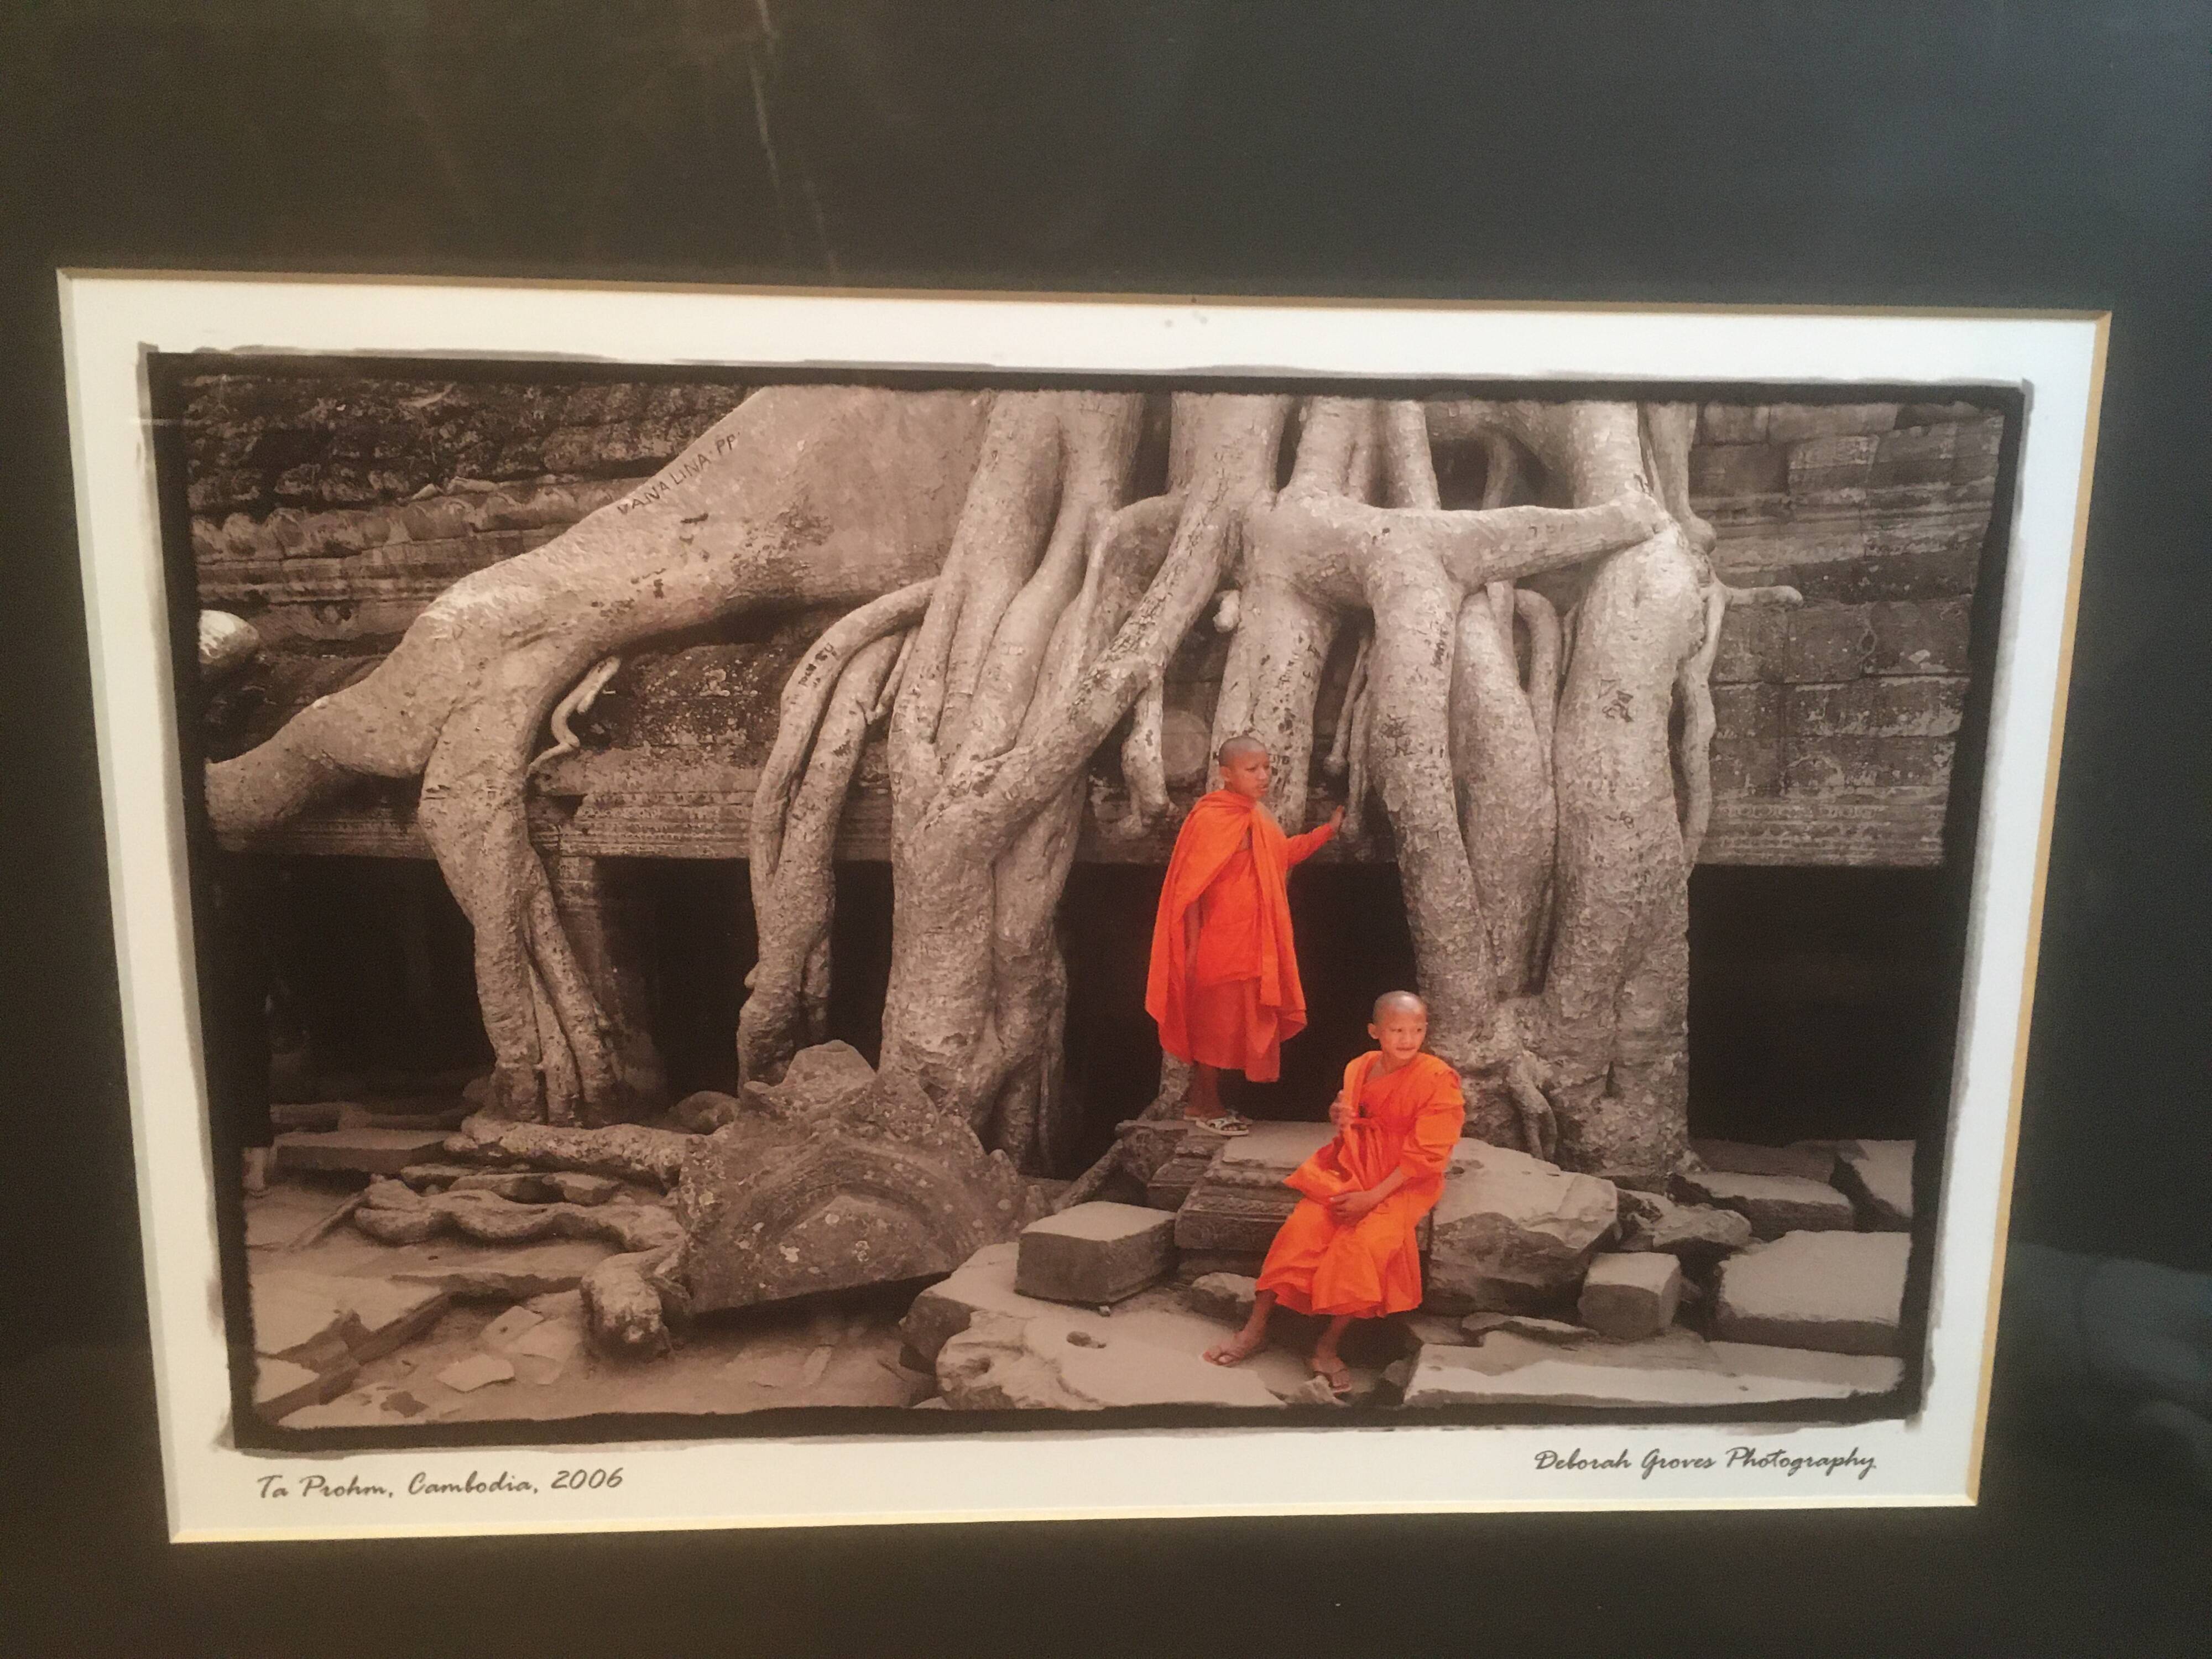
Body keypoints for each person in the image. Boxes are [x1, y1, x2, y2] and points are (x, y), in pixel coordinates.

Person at [1203, 991, 1465, 1396]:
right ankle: (1254, 1330)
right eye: (1397, 1030)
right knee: (1300, 1231)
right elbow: (1351, 1118)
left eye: (1416, 1030)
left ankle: (1327, 1346)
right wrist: (1338, 1115)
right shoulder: (1360, 1066)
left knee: (1363, 1248)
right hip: (1351, 1169)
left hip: (1402, 1181)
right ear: (1375, 1032)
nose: (1407, 1039)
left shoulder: (1437, 1079)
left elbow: (1429, 1154)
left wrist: (1371, 1198)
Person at [1145, 734, 1341, 1133]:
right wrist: (1192, 949)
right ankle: (1205, 1107)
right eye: (1252, 769)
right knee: (1214, 1028)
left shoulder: (1258, 815)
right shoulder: (1211, 818)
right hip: (1220, 942)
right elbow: (1191, 893)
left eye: (1266, 767)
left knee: (1235, 1025)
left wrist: (1327, 832)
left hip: (1254, 943)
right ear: (1226, 774)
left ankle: (1206, 1104)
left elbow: (1281, 856)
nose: (1263, 776)